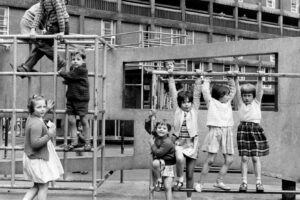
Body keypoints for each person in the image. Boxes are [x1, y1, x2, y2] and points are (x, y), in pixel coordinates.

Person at [194, 74, 236, 192]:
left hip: (227, 131)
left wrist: (230, 80)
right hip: (215, 131)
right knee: (211, 160)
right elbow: (205, 91)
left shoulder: (228, 102)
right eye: (225, 95)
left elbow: (233, 91)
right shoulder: (211, 102)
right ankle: (200, 183)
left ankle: (219, 181)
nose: (228, 96)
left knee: (229, 160)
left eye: (228, 94)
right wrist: (206, 79)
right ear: (219, 96)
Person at [168, 61, 201, 200]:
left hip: (192, 143)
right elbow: (173, 92)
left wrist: (199, 78)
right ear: (180, 104)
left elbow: (197, 93)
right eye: (183, 102)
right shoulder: (178, 111)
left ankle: (189, 197)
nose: (186, 104)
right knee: (179, 158)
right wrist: (170, 76)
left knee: (190, 174)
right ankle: (179, 178)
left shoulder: (194, 110)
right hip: (179, 142)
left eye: (188, 102)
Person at [23, 95, 64, 200]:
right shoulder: (36, 124)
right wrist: (49, 134)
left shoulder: (32, 117)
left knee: (37, 186)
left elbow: (40, 116)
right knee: (43, 187)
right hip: (38, 158)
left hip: (34, 157)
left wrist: (47, 109)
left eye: (44, 106)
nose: (42, 109)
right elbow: (35, 143)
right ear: (32, 109)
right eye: (39, 107)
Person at [235, 71, 269, 193]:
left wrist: (260, 78)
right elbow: (237, 92)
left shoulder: (256, 102)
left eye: (249, 95)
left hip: (255, 130)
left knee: (255, 157)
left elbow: (259, 90)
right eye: (245, 95)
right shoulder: (239, 103)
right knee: (244, 158)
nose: (246, 98)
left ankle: (258, 182)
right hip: (243, 130)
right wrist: (236, 79)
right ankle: (244, 182)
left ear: (253, 96)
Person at [16, 0, 70, 77]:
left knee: (41, 44)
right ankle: (26, 67)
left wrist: (62, 32)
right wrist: (33, 29)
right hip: (49, 25)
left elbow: (60, 14)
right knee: (41, 45)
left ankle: (27, 66)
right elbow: (39, 14)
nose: (64, 4)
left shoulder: (55, 1)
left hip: (60, 25)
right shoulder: (43, 1)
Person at [59, 48, 91, 151]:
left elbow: (71, 76)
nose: (75, 61)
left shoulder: (82, 70)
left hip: (81, 99)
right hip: (71, 98)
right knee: (71, 120)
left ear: (83, 61)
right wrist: (67, 80)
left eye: (78, 59)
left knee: (84, 120)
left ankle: (87, 143)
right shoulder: (73, 69)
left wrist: (62, 73)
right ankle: (74, 141)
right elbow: (71, 79)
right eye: (73, 59)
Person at [145, 112, 176, 200]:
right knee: (155, 163)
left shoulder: (167, 142)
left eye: (164, 128)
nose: (161, 130)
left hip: (168, 165)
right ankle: (158, 180)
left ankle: (159, 181)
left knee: (167, 187)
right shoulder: (156, 135)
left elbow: (158, 153)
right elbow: (148, 128)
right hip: (158, 166)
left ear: (168, 131)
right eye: (159, 128)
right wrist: (150, 117)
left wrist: (152, 144)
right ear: (156, 129)